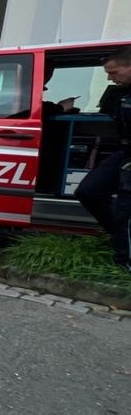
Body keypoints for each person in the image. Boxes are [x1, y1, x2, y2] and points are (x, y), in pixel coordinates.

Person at [74, 45, 131, 271]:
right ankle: (117, 237)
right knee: (88, 191)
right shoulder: (123, 91)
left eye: (113, 72)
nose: (109, 77)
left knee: (127, 210)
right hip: (125, 152)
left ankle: (124, 264)